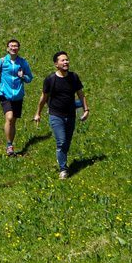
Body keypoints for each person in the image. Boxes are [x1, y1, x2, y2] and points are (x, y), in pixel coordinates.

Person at [34, 51, 89, 179]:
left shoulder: (73, 77)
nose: (66, 62)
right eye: (62, 60)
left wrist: (86, 109)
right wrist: (38, 113)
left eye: (67, 60)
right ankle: (63, 169)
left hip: (70, 114)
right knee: (62, 141)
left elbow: (80, 94)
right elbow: (43, 97)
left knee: (67, 142)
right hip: (56, 115)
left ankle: (62, 158)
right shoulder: (50, 79)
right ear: (56, 64)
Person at [0, 39, 33, 157]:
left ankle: (10, 145)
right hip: (5, 94)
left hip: (18, 96)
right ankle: (9, 145)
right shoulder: (2, 61)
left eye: (16, 46)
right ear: (7, 49)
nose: (13, 48)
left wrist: (23, 77)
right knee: (9, 118)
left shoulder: (23, 63)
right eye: (11, 46)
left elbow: (30, 78)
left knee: (13, 121)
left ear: (18, 48)